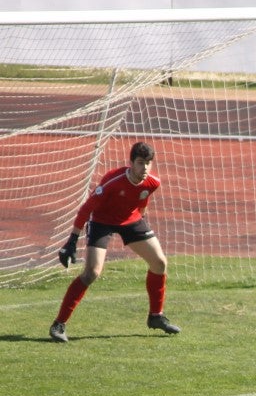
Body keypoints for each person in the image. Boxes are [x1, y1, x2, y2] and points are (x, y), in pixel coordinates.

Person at [50, 141, 180, 343]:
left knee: (160, 263)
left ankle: (156, 316)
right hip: (102, 222)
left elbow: (142, 200)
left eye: (148, 163)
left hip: (131, 220)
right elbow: (86, 209)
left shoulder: (153, 183)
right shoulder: (113, 181)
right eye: (140, 162)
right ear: (131, 163)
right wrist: (72, 240)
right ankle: (59, 324)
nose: (144, 168)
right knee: (92, 272)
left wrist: (140, 225)